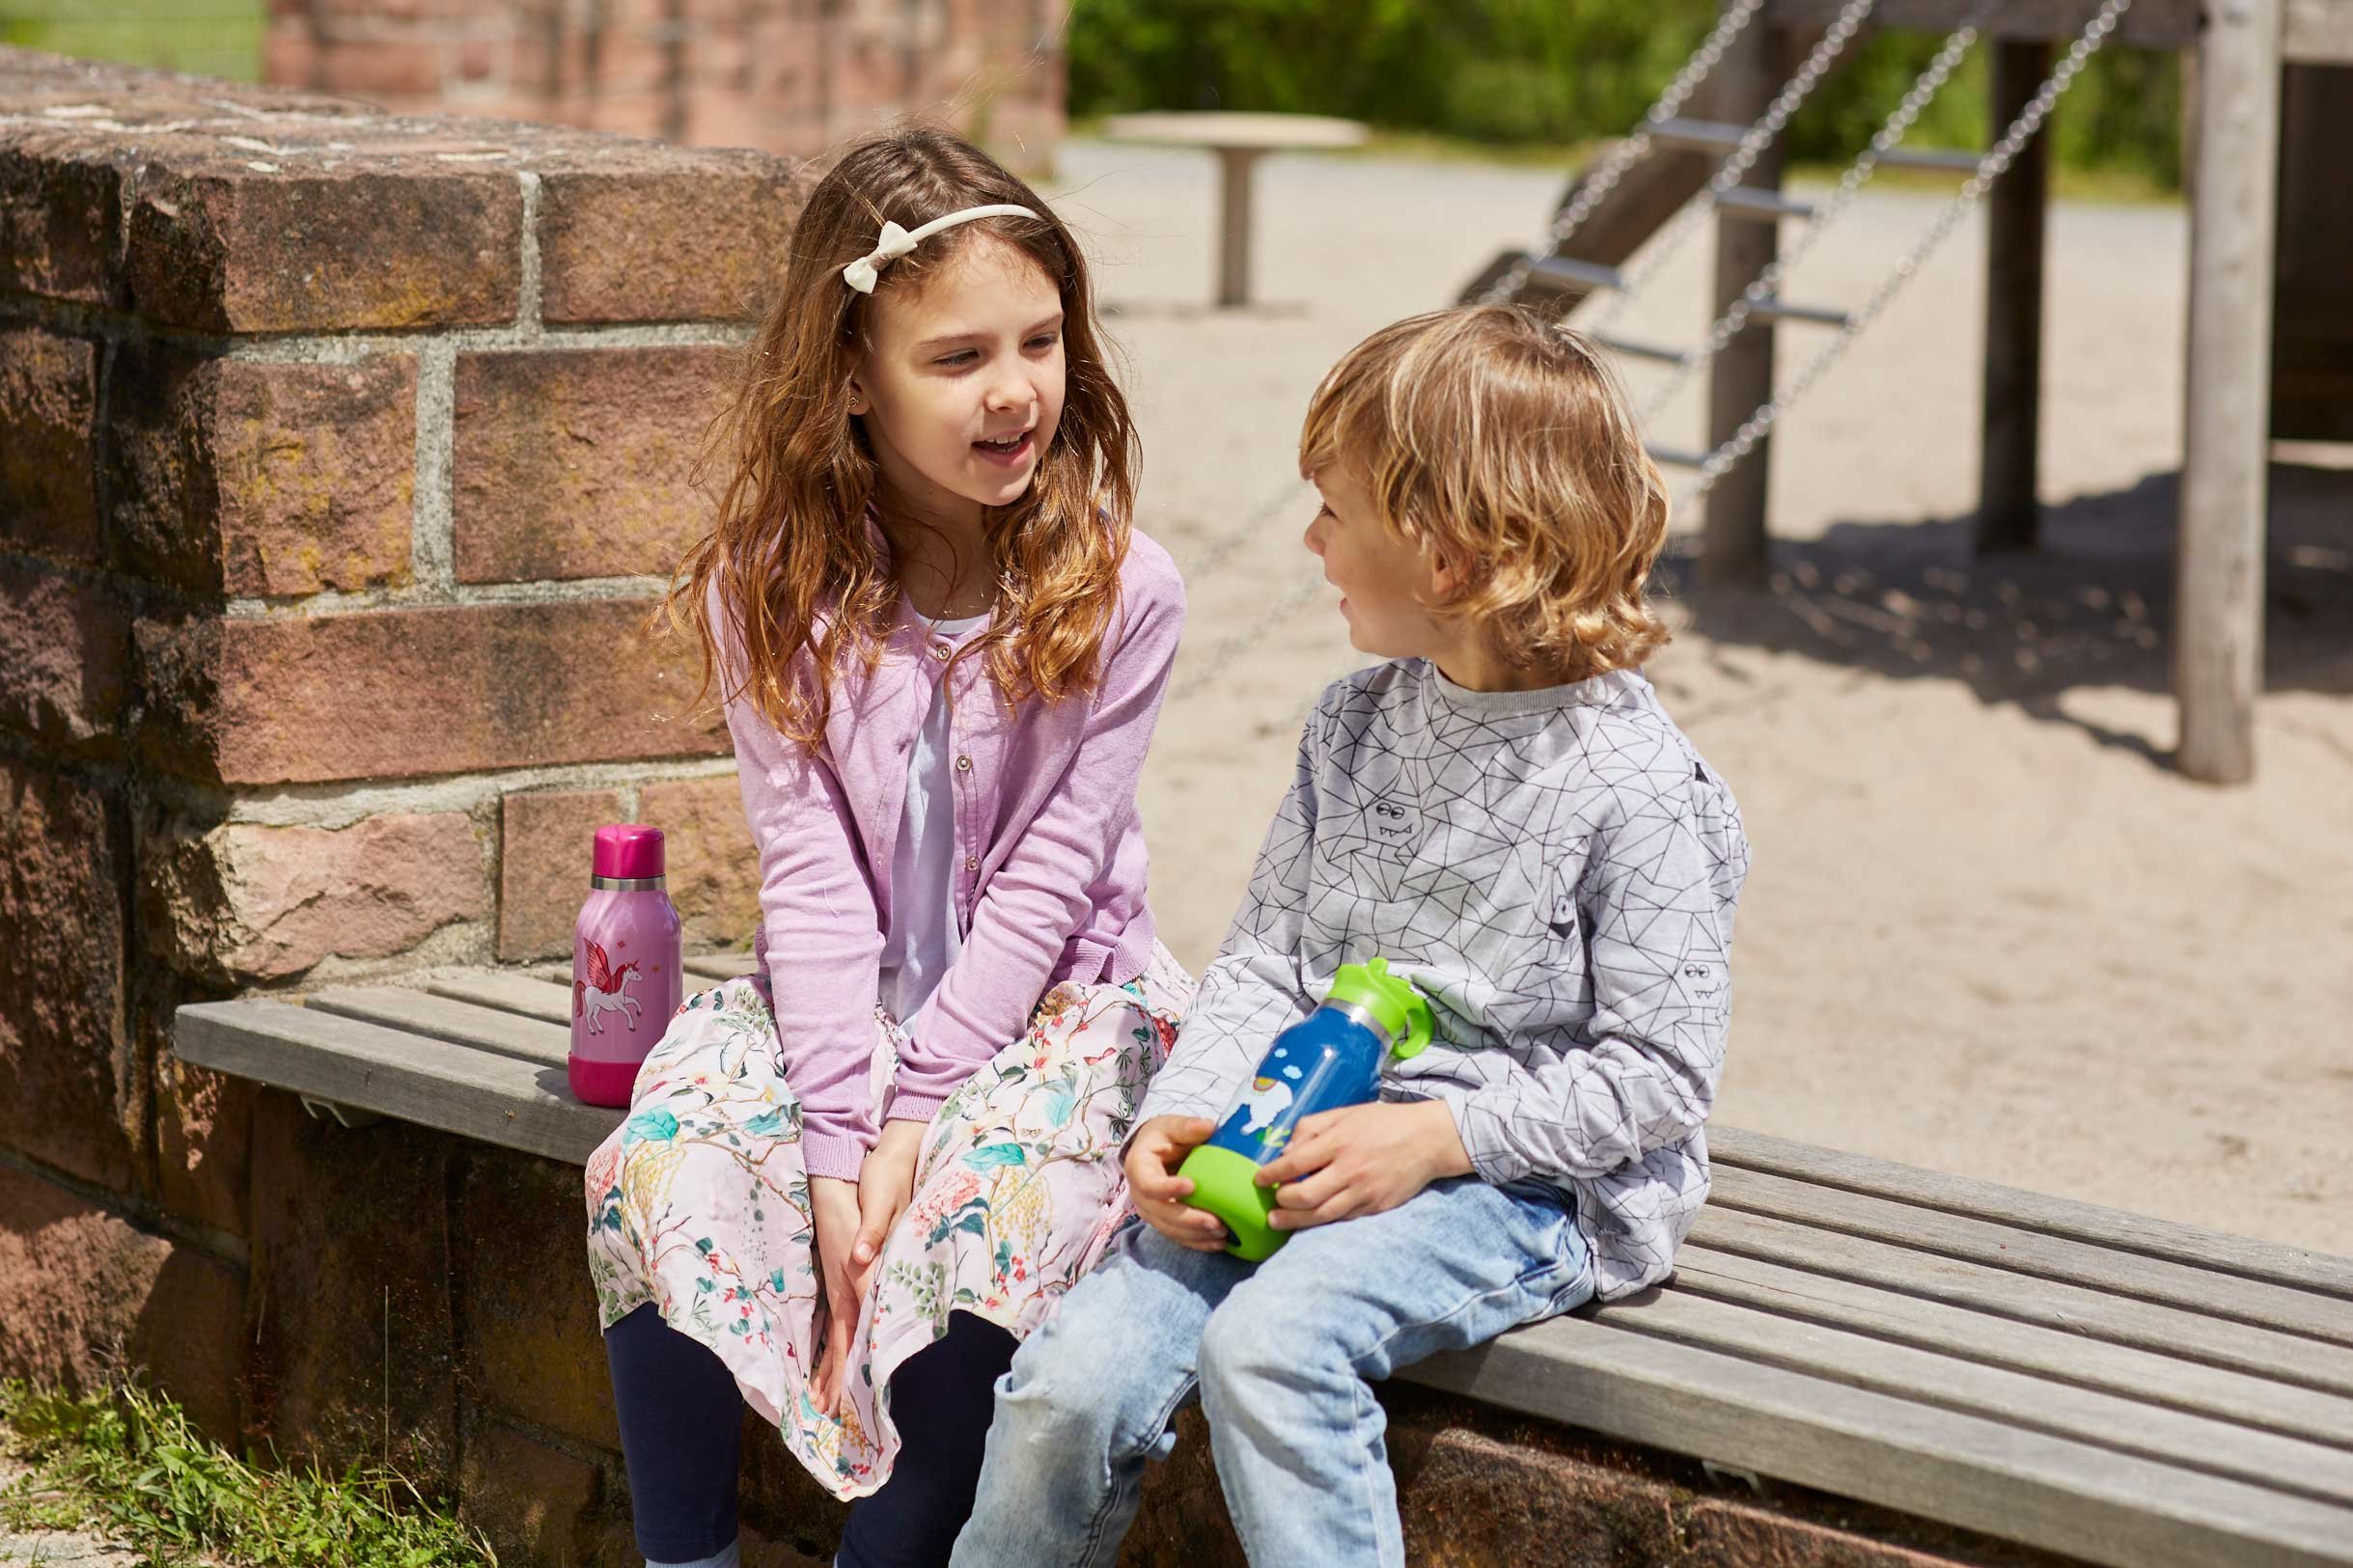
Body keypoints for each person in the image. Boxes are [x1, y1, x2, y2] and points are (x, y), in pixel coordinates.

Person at [952, 305, 1752, 1568]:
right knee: (1074, 1381)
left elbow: (1655, 1079)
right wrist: (1189, 1110)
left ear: (1444, 555)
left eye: (1334, 511)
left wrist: (1433, 1137)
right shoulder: (1352, 726)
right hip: (1287, 1129)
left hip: (1515, 1179)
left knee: (1269, 1348)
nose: (1310, 539)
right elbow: (1267, 957)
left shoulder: (1640, 790)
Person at [582, 123, 1190, 1568]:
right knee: (658, 1162)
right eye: (957, 356)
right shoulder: (769, 586)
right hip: (839, 1001)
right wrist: (839, 1147)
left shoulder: (1123, 589)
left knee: (983, 1226)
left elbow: (1048, 883)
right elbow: (807, 873)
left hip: (1051, 1008)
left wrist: (914, 1123)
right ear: (850, 377)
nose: (1014, 391)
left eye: (1039, 341)